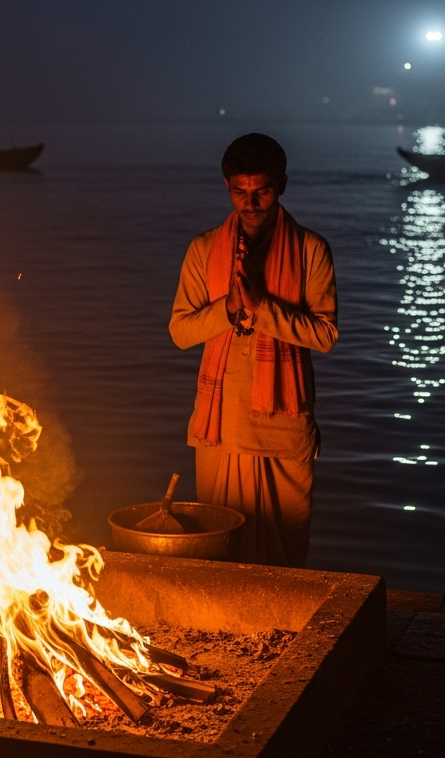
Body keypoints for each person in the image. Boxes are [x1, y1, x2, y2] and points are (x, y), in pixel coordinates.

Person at [169, 133, 338, 567]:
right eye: (239, 192)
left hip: (283, 425)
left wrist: (263, 308)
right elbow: (181, 332)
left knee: (286, 549)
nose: (250, 203)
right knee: (220, 545)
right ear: (227, 188)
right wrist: (227, 308)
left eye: (260, 191)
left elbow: (324, 334)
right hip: (220, 425)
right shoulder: (204, 249)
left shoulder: (310, 249)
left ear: (281, 183)